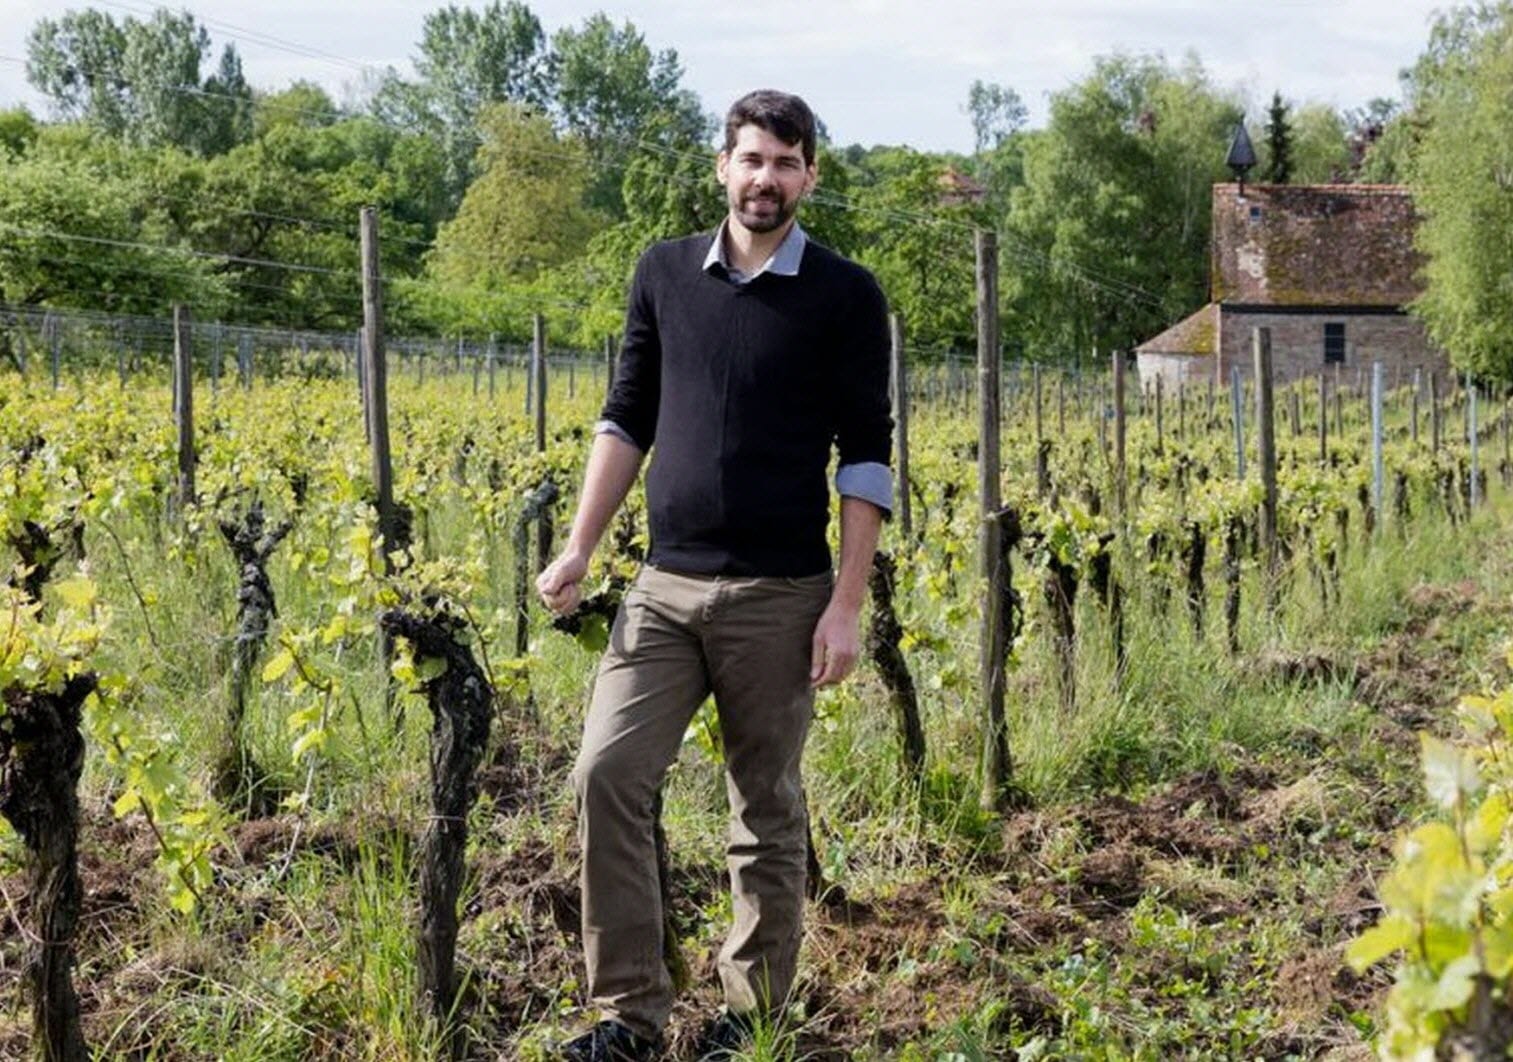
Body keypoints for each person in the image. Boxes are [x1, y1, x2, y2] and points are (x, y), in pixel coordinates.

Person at [537, 88, 892, 1062]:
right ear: (722, 166)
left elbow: (866, 458)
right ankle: (629, 1015)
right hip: (662, 587)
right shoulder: (661, 275)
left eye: (784, 162)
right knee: (606, 772)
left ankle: (753, 1014)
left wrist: (846, 606)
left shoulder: (846, 295)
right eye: (750, 159)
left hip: (782, 595)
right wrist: (578, 546)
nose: (764, 179)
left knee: (762, 805)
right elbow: (627, 418)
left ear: (809, 174)